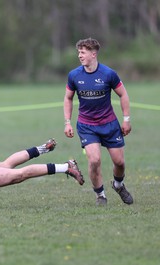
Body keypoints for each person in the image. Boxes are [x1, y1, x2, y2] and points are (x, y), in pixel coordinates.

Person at [63, 38, 133, 206]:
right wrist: (67, 122)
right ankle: (100, 195)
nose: (79, 55)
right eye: (79, 52)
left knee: (119, 162)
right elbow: (68, 98)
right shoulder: (74, 75)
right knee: (94, 160)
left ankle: (118, 185)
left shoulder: (108, 74)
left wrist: (126, 120)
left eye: (83, 52)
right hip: (87, 126)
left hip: (109, 124)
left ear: (93, 54)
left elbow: (123, 94)